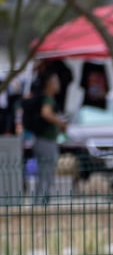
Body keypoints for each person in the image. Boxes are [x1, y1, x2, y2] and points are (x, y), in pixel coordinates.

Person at [31, 72, 67, 205]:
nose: (58, 84)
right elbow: (45, 113)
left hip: (40, 141)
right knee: (46, 173)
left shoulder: (42, 98)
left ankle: (41, 201)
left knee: (44, 173)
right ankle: (41, 203)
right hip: (46, 141)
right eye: (56, 81)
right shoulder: (48, 99)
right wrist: (60, 122)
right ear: (49, 84)